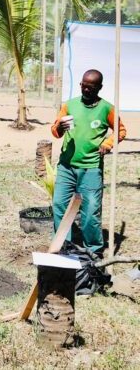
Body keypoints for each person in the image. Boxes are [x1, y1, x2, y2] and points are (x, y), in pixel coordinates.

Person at [50, 69, 126, 255]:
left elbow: (121, 130)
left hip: (91, 168)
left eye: (90, 87)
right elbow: (55, 131)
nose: (85, 90)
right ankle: (63, 246)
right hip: (66, 166)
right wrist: (60, 127)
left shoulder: (107, 109)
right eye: (83, 86)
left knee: (90, 211)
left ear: (99, 87)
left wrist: (107, 144)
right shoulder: (70, 105)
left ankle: (93, 250)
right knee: (59, 205)